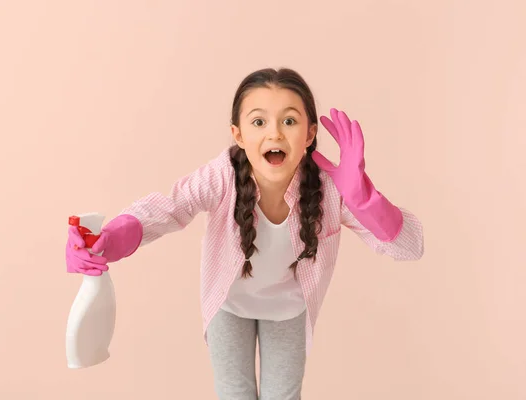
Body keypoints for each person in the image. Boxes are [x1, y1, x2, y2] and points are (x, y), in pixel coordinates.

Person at [65, 67, 424, 400]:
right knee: (234, 393)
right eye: (258, 121)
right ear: (238, 133)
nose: (275, 133)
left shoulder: (333, 189)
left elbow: (410, 247)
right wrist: (110, 239)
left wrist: (364, 199)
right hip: (229, 305)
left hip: (289, 310)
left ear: (310, 133)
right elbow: (170, 207)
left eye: (289, 120)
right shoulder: (222, 176)